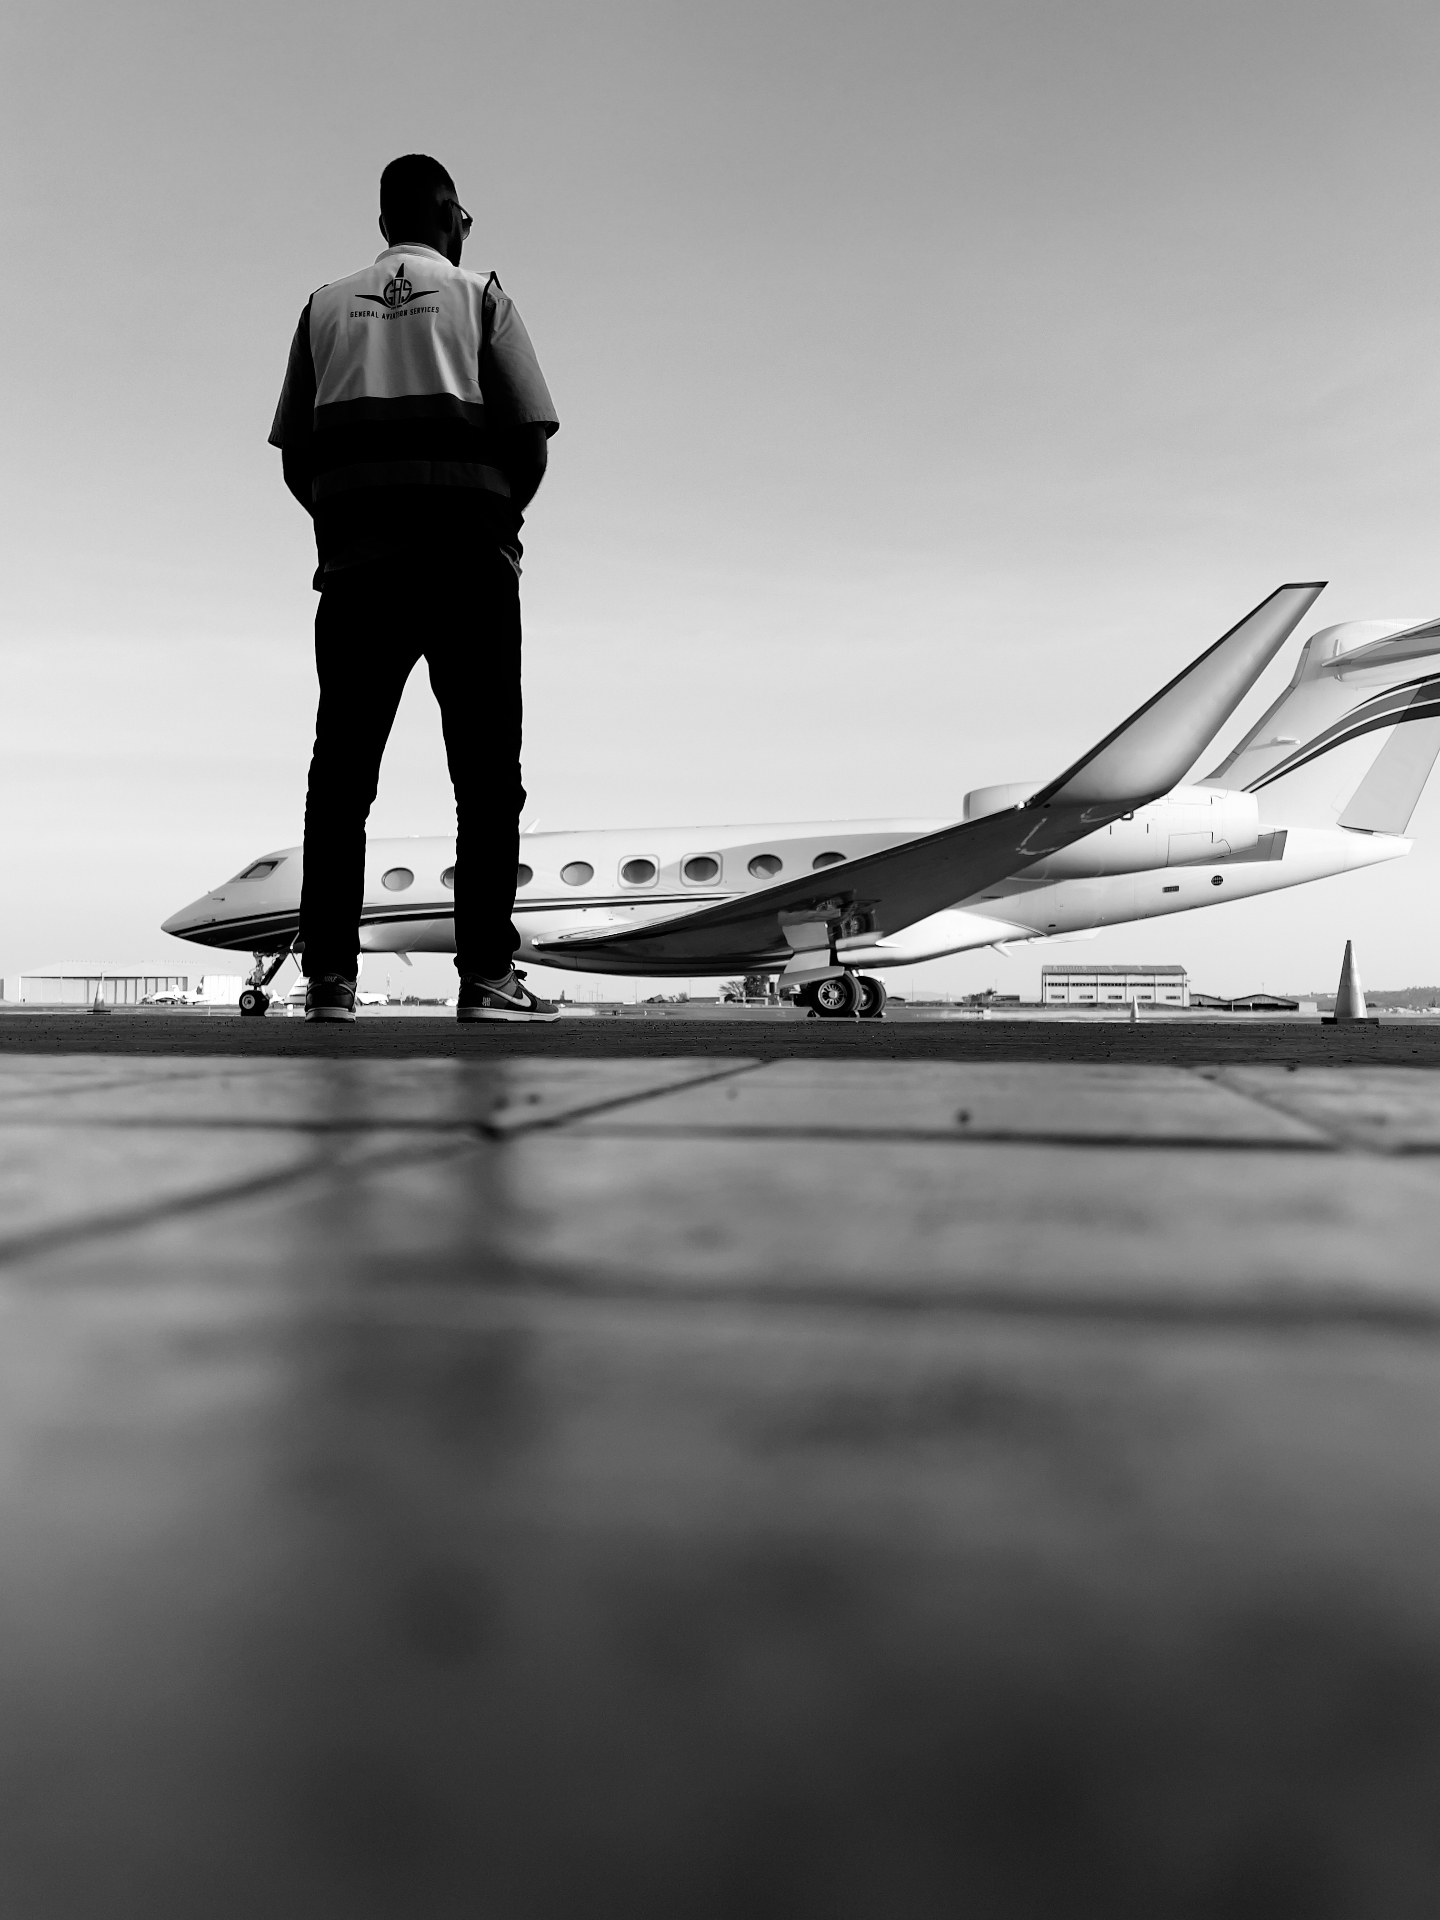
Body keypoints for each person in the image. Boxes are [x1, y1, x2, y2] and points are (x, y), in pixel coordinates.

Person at [269, 152, 562, 1023]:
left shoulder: (322, 307)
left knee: (342, 777)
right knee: (484, 777)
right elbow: (531, 436)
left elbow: (295, 453)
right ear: (447, 214)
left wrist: (347, 520)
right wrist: (495, 524)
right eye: (464, 215)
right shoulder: (482, 299)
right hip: (469, 565)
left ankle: (329, 980)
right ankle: (486, 978)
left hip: (358, 574)